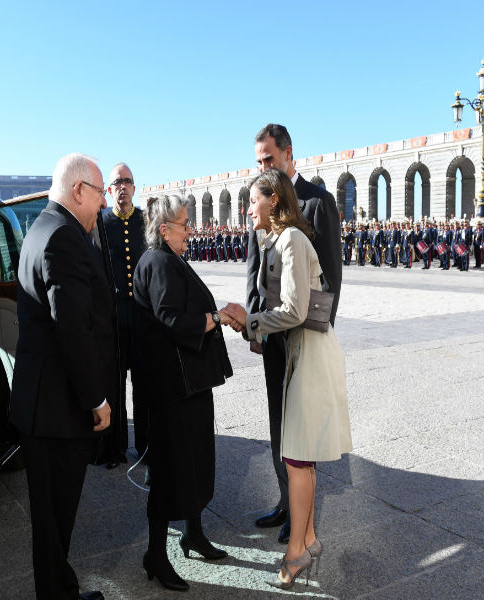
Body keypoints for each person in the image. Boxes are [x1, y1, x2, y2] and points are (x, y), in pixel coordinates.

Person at [222, 169, 351, 589]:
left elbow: (296, 311)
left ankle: (296, 551)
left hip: (310, 353)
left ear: (274, 200)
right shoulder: (279, 238)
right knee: (302, 457)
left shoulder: (292, 239)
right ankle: (308, 539)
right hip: (302, 351)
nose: (247, 209)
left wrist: (249, 321)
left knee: (296, 457)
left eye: (253, 200)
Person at [10, 153, 115, 600]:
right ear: (78, 191)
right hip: (57, 411)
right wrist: (97, 399)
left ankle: (61, 590)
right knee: (56, 518)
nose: (103, 205)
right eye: (99, 195)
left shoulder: (40, 230)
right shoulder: (64, 239)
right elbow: (72, 329)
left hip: (41, 406)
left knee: (51, 522)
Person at [245, 123, 342, 544]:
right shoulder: (261, 204)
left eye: (269, 158)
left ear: (289, 154)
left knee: (300, 428)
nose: (264, 166)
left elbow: (332, 278)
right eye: (259, 161)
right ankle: (285, 501)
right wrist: (253, 323)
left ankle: (302, 518)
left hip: (300, 333)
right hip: (271, 336)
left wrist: (316, 335)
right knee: (277, 423)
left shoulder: (317, 203)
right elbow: (252, 272)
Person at [133, 195, 234, 592]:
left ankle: (193, 533)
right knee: (169, 468)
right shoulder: (158, 262)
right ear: (164, 230)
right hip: (171, 389)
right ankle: (155, 554)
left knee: (194, 461)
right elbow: (172, 319)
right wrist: (218, 316)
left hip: (188, 384)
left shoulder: (169, 259)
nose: (190, 231)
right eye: (185, 225)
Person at [101, 162, 147, 468]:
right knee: (114, 384)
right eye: (117, 182)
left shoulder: (146, 220)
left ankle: (145, 446)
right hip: (114, 314)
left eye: (127, 181)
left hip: (142, 314)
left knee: (144, 383)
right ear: (109, 189)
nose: (122, 187)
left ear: (134, 187)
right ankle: (114, 449)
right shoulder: (100, 222)